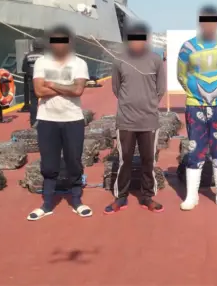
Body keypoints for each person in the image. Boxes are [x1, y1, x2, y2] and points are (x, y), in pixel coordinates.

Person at [177, 5, 217, 211]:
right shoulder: (187, 47)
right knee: (195, 149)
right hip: (195, 105)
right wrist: (195, 93)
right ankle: (191, 196)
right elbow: (181, 75)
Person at [27, 25, 92, 221]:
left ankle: (76, 201)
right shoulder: (41, 62)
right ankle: (47, 204)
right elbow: (38, 91)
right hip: (47, 119)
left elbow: (78, 90)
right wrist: (67, 87)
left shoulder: (79, 63)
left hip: (72, 119)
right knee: (49, 164)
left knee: (74, 161)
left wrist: (52, 84)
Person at [105, 21, 166, 214]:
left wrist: (147, 104)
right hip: (126, 120)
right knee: (125, 160)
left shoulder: (156, 60)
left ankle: (147, 196)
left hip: (149, 121)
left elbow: (160, 89)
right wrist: (130, 103)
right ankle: (121, 197)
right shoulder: (119, 60)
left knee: (149, 160)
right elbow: (116, 88)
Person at [21, 38, 45, 128]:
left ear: (33, 46)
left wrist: (31, 73)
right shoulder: (45, 56)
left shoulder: (28, 56)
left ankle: (33, 122)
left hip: (32, 81)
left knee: (33, 102)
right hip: (44, 81)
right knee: (47, 101)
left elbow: (24, 68)